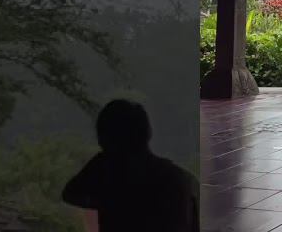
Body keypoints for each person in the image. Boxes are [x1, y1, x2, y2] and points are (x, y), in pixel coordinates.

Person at [62, 99, 199, 232]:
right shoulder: (180, 179)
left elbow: (71, 193)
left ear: (106, 140)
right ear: (147, 133)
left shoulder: (108, 177)